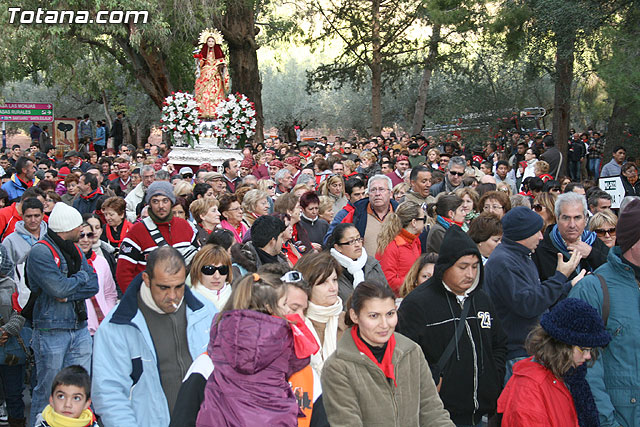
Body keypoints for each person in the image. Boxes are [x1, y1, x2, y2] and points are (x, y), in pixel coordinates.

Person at [92, 246, 215, 427]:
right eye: (164, 287)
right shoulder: (115, 327)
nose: (172, 296)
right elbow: (109, 394)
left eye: (179, 286)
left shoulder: (206, 311)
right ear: (147, 280)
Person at [397, 226, 507, 427]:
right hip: (439, 415)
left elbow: (498, 343)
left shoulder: (482, 299)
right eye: (463, 267)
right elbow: (403, 356)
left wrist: (494, 376)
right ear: (445, 266)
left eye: (475, 266)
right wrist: (431, 377)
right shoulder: (417, 304)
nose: (470, 274)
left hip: (480, 412)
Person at [321, 280, 454, 426]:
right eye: (374, 316)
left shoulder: (411, 351)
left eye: (390, 314)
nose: (384, 324)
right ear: (354, 316)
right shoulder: (337, 366)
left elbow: (433, 412)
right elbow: (346, 422)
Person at [194, 272, 310, 427]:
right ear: (269, 306)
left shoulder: (220, 338)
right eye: (285, 305)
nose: (289, 313)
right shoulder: (282, 341)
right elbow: (300, 360)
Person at [484, 206, 585, 383]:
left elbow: (536, 295)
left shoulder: (521, 256)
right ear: (523, 234)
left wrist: (568, 286)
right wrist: (560, 276)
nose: (541, 237)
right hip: (518, 354)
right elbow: (528, 304)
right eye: (537, 232)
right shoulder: (504, 262)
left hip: (530, 349)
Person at [568, 199, 640, 426]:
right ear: (633, 241)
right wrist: (606, 422)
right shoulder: (592, 289)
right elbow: (581, 369)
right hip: (618, 418)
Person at [26, 203, 99, 425]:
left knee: (79, 388)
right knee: (48, 392)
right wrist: (79, 279)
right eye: (79, 227)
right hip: (51, 330)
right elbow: (57, 288)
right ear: (67, 227)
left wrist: (68, 293)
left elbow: (93, 285)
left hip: (79, 328)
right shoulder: (41, 251)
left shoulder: (73, 248)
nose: (83, 231)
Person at [498, 298, 610, 426]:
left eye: (591, 350)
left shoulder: (571, 377)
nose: (588, 356)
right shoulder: (529, 389)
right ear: (561, 345)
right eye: (583, 349)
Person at [116, 182, 197, 291]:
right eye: (155, 201)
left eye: (165, 201)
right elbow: (123, 273)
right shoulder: (136, 231)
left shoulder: (185, 226)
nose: (161, 206)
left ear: (171, 202)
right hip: (148, 295)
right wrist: (135, 297)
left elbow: (197, 261)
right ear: (149, 203)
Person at [533, 192, 609, 281]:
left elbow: (614, 273)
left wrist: (591, 254)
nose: (572, 225)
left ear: (586, 219)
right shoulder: (541, 248)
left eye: (577, 218)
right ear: (557, 219)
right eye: (566, 218)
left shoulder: (594, 241)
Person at [295, 252, 346, 377]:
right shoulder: (295, 326)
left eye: (334, 280)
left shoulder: (348, 322)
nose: (333, 288)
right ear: (307, 287)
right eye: (323, 282)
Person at [326, 175, 398, 257]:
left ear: (391, 193)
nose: (377, 194)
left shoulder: (401, 215)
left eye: (381, 189)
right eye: (373, 190)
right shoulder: (355, 215)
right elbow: (334, 240)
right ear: (368, 194)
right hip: (365, 264)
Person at [0, 245, 29, 426]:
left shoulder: (12, 284)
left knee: (14, 394)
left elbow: (20, 313)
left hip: (9, 349)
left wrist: (6, 330)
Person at [326, 223, 387, 305]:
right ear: (338, 247)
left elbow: (386, 292)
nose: (357, 245)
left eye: (358, 239)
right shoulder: (330, 270)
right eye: (351, 241)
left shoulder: (372, 264)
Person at [76, 220, 117, 336]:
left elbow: (110, 293)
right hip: (80, 329)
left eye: (89, 235)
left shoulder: (101, 261)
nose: (85, 240)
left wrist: (108, 314)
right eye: (81, 235)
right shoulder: (69, 263)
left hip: (102, 327)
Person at [375, 201, 423, 296]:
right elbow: (388, 281)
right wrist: (415, 281)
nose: (425, 222)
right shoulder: (391, 246)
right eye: (423, 219)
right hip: (397, 299)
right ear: (414, 222)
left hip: (413, 295)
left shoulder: (415, 241)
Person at [34, 365, 98, 427]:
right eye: (61, 396)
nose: (67, 404)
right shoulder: (43, 424)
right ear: (51, 400)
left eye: (76, 398)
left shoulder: (92, 424)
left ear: (87, 403)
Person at [3, 197, 47, 265]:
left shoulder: (50, 236)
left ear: (43, 215)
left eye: (36, 216)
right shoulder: (10, 241)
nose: (33, 220)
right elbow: (5, 268)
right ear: (22, 216)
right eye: (29, 216)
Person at [188, 244, 233, 311]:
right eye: (209, 270)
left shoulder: (238, 300)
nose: (217, 276)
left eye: (222, 269)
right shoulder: (188, 303)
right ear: (198, 270)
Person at [194, 34, 229, 118]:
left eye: (212, 41)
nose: (210, 43)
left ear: (215, 42)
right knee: (204, 93)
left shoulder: (218, 53)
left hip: (215, 76)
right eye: (209, 41)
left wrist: (221, 66)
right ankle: (203, 111)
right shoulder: (203, 52)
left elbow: (222, 62)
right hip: (205, 74)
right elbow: (200, 64)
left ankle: (216, 112)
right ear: (206, 42)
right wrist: (198, 60)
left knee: (215, 92)